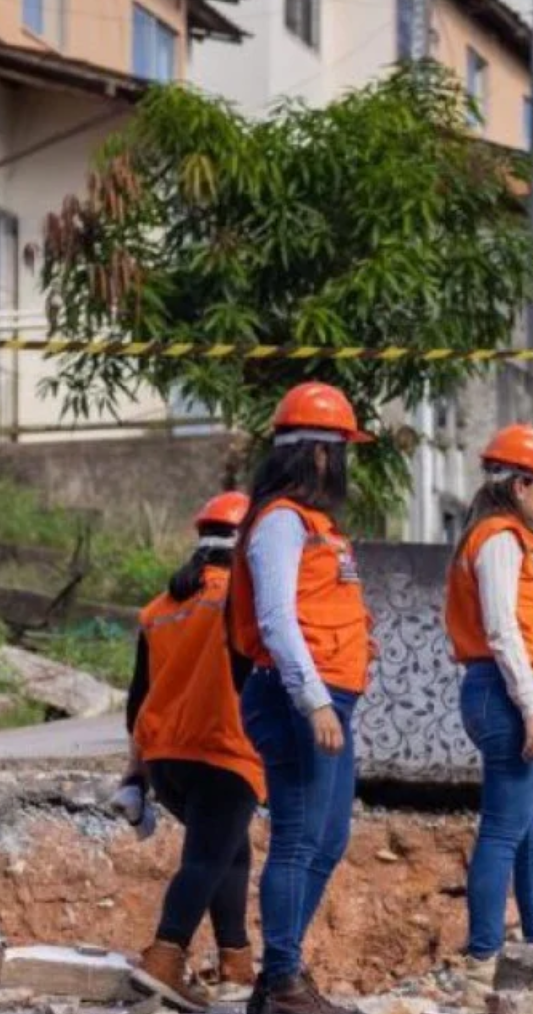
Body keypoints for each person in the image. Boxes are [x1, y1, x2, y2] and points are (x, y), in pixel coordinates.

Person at [226, 382, 374, 1014]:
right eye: (340, 450)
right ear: (318, 455)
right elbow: (278, 620)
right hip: (295, 699)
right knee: (297, 838)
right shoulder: (281, 522)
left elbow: (319, 607)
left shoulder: (315, 525)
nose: (344, 465)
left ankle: (277, 975)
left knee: (329, 837)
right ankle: (283, 977)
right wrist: (313, 699)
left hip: (325, 697)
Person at [443, 426, 533, 1009]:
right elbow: (501, 630)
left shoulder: (514, 540)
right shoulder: (499, 539)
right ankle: (482, 973)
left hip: (522, 695)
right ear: (520, 484)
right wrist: (530, 710)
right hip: (508, 696)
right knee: (501, 834)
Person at [125, 491, 264, 1011]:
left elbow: (137, 697)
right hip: (223, 749)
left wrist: (133, 776)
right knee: (207, 857)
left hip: (166, 760)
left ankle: (236, 966)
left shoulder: (162, 608)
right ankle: (165, 958)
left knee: (230, 850)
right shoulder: (239, 598)